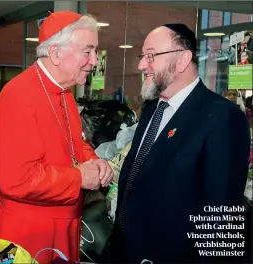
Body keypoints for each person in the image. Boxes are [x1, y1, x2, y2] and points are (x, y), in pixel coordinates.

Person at [104, 24, 250, 263]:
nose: (141, 65)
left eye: (151, 56)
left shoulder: (223, 117)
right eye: (143, 56)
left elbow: (219, 218)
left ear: (182, 60)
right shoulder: (153, 108)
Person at [0, 10, 114, 263]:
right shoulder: (18, 95)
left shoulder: (64, 92)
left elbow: (74, 144)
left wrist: (94, 162)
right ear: (55, 53)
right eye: (87, 51)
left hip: (65, 224)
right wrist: (80, 177)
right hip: (27, 233)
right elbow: (16, 180)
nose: (94, 61)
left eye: (95, 52)